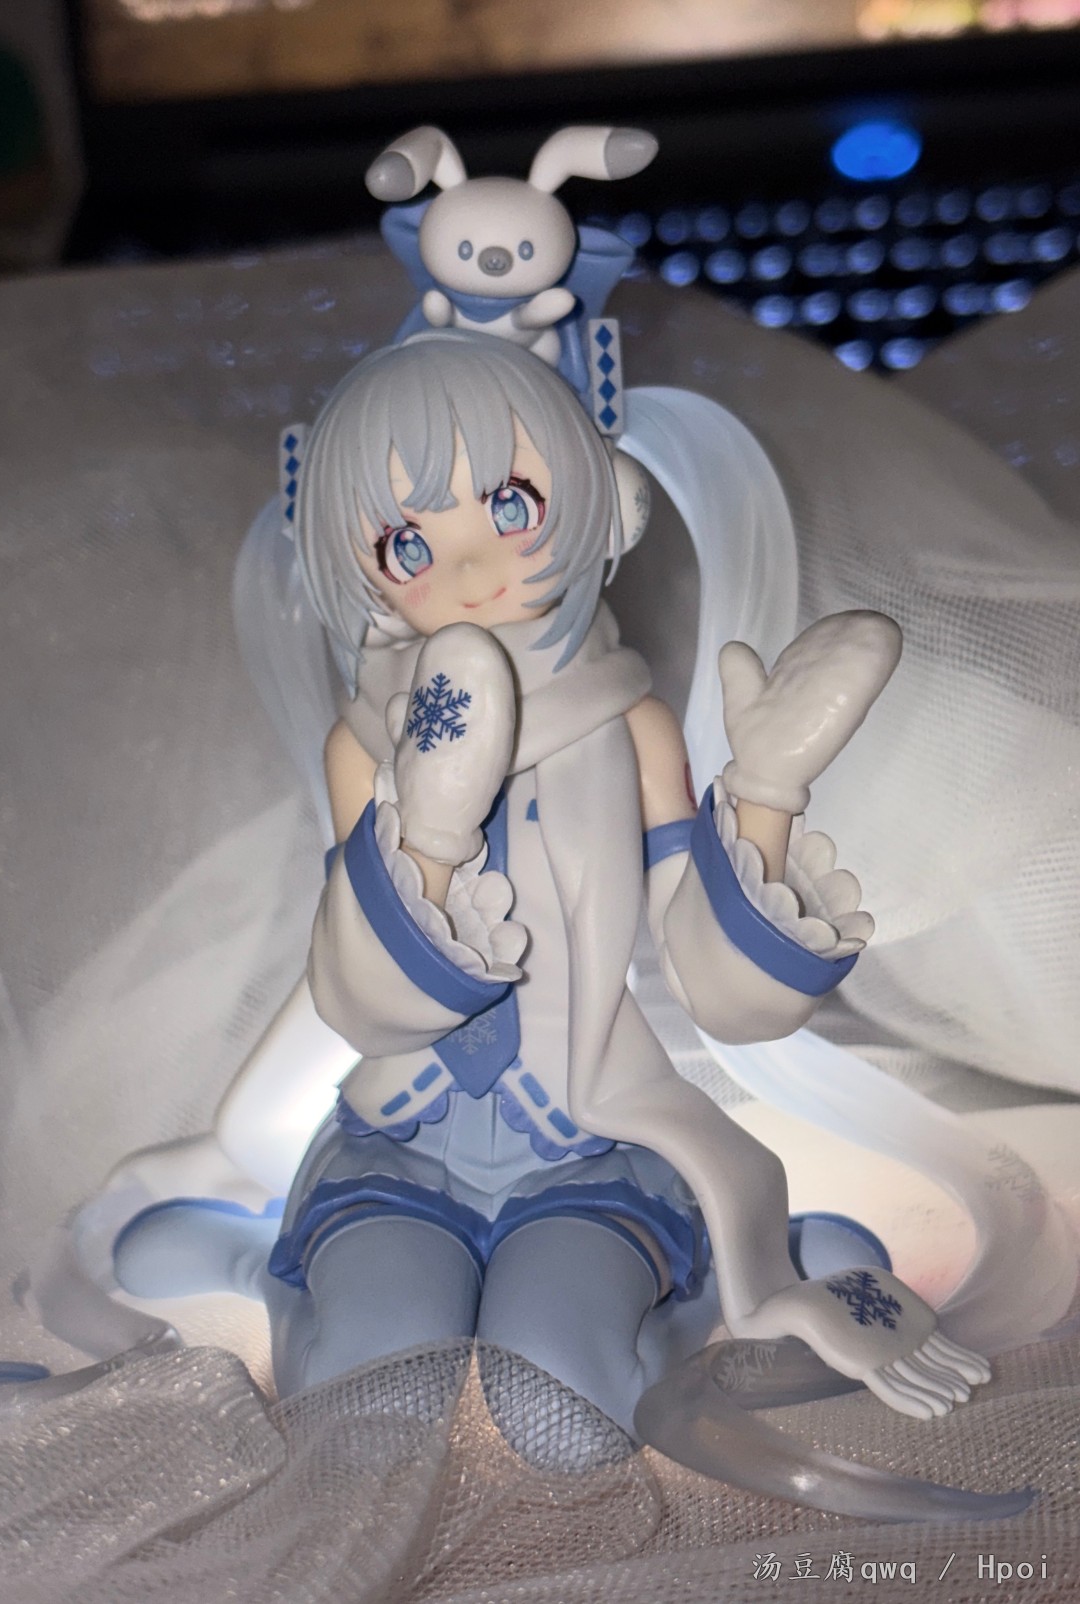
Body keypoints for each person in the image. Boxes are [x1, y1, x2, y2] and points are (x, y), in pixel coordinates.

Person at [114, 330, 994, 1472]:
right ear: (356, 568)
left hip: (587, 1143)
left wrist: (766, 795)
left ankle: (740, 1267)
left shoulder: (632, 727)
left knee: (569, 1421)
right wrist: (428, 834)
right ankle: (258, 1262)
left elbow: (709, 973)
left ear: (596, 499)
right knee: (368, 1413)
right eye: (407, 541)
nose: (472, 565)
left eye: (512, 504)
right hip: (401, 1143)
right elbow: (357, 991)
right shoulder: (363, 743)